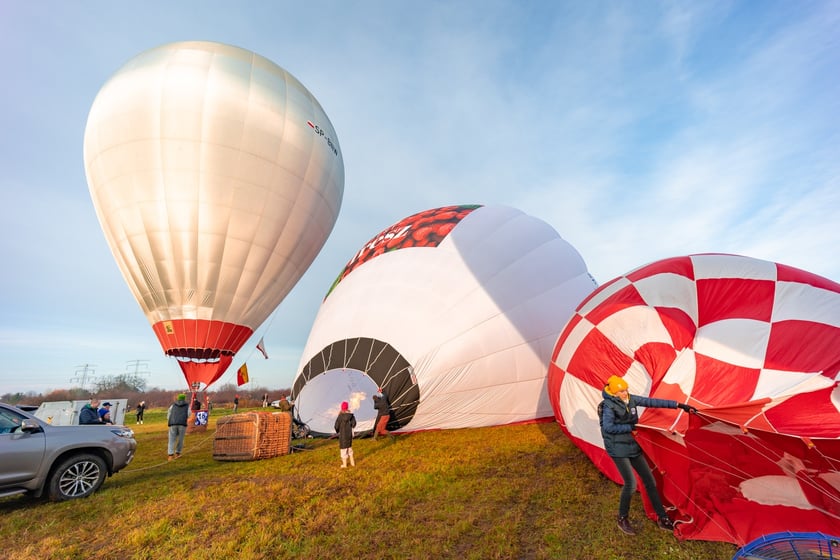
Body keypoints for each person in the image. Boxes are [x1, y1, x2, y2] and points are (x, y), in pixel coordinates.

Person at [599, 375, 697, 535]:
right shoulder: (608, 406)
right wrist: (631, 427)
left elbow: (652, 402)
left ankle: (662, 518)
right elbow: (608, 428)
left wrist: (679, 405)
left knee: (650, 481)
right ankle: (622, 518)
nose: (625, 393)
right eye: (622, 391)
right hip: (617, 448)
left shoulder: (630, 399)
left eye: (626, 390)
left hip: (632, 445)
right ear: (614, 393)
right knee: (630, 484)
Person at [167, 393, 190, 461]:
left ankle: (170, 455)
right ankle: (178, 453)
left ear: (178, 398)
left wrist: (170, 420)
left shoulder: (173, 405)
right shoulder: (187, 406)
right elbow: (189, 414)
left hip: (173, 424)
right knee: (180, 439)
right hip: (182, 424)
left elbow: (169, 414)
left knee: (171, 439)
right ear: (184, 399)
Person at [334, 401, 356, 468]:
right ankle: (352, 463)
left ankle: (345, 464)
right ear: (347, 408)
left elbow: (336, 426)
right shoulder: (351, 416)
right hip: (349, 435)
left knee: (343, 449)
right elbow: (354, 424)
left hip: (343, 435)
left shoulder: (340, 416)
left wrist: (337, 431)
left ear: (342, 408)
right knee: (349, 448)